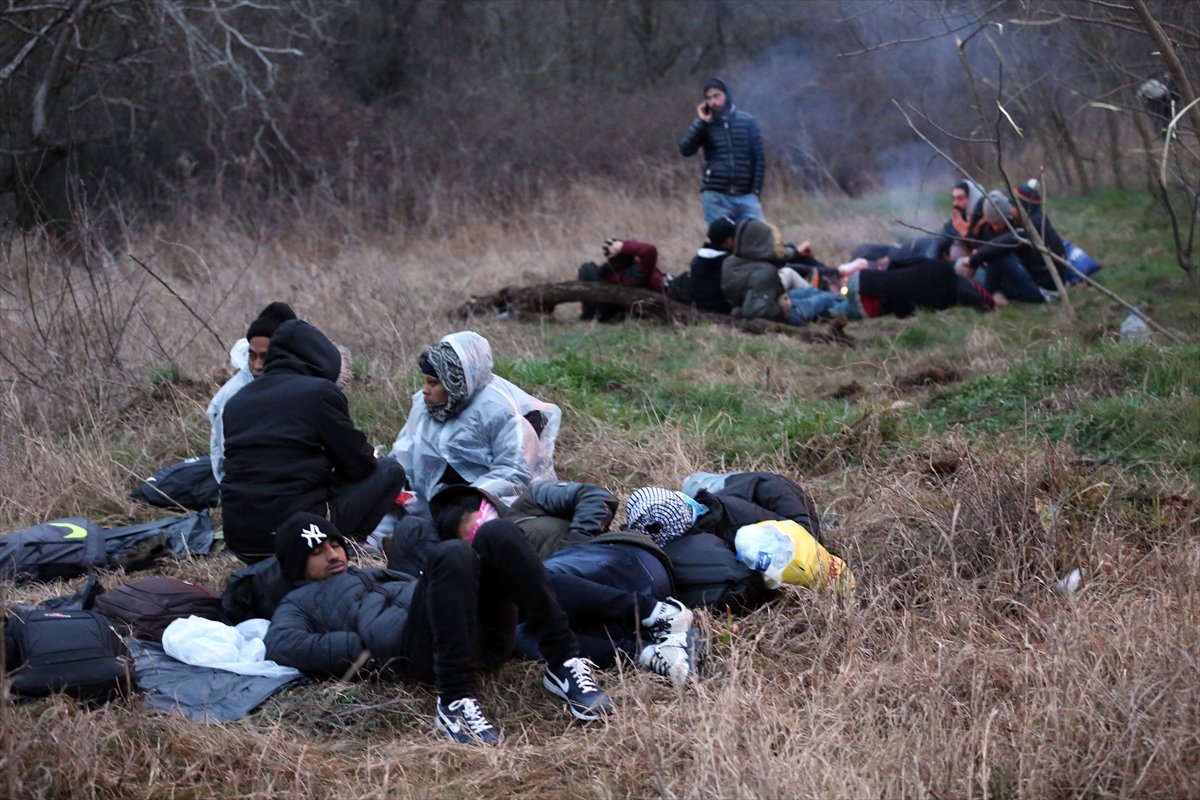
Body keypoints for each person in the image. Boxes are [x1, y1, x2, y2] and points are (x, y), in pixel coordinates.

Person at [263, 512, 613, 746]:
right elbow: (281, 644)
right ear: (297, 564)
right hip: (416, 652)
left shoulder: (372, 573)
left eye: (335, 544)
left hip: (480, 640)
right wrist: (364, 649)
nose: (334, 555)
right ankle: (455, 702)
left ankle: (563, 663)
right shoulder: (299, 602)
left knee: (498, 533)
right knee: (452, 554)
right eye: (318, 552)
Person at [425, 483, 700, 686]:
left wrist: (574, 543)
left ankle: (660, 614)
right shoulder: (483, 561)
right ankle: (648, 653)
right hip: (588, 598)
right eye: (469, 539)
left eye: (477, 525)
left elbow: (596, 496)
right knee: (519, 636)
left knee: (535, 582)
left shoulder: (527, 504)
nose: (479, 536)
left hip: (620, 558)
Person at [220, 319, 407, 563]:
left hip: (242, 543)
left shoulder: (236, 401)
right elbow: (359, 464)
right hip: (303, 536)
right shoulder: (318, 393)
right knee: (390, 470)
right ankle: (347, 546)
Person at [389, 331, 560, 503]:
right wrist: (398, 483)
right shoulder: (425, 403)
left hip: (487, 500)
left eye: (433, 383)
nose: (425, 389)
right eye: (425, 381)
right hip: (436, 496)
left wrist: (468, 500)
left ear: (454, 383)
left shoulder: (498, 410)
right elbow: (405, 448)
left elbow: (513, 471)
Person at [625, 471, 831, 613]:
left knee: (695, 483)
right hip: (727, 493)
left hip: (761, 487)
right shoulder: (695, 528)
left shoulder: (747, 516)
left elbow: (809, 551)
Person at [205, 302, 296, 483]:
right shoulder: (235, 397)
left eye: (265, 356)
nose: (257, 366)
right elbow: (230, 462)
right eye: (253, 356)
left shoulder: (297, 379)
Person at [679, 77, 765, 225]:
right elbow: (685, 150)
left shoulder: (747, 121)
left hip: (746, 195)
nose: (713, 101)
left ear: (726, 95)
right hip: (716, 195)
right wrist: (701, 122)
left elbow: (759, 159)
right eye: (708, 98)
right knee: (722, 244)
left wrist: (755, 191)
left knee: (758, 238)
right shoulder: (705, 124)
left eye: (717, 96)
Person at [956, 189, 1065, 304]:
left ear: (1022, 207)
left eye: (1013, 205)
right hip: (1042, 281)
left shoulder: (1031, 227)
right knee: (997, 257)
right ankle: (989, 292)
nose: (1010, 208)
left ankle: (984, 297)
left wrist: (973, 259)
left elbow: (1003, 243)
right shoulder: (1036, 220)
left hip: (1045, 292)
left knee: (999, 257)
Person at [578, 238, 668, 322]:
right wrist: (622, 246)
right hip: (672, 293)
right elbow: (649, 250)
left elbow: (585, 307)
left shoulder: (618, 278)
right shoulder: (631, 277)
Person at [720, 218, 790, 321]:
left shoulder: (729, 262)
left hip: (756, 300)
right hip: (780, 310)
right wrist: (780, 308)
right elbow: (755, 311)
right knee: (821, 299)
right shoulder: (765, 272)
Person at [939, 180, 987, 260]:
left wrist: (965, 234)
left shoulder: (985, 217)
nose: (955, 203)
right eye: (954, 198)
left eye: (960, 198)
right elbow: (943, 240)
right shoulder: (962, 214)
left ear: (971, 198)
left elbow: (983, 250)